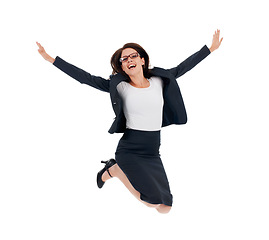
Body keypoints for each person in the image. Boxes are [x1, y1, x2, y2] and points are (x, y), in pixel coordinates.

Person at [36, 30, 223, 214]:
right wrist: (52, 59)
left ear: (142, 60)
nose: (129, 60)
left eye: (133, 56)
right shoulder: (120, 86)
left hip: (152, 150)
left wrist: (210, 49)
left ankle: (115, 170)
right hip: (130, 148)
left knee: (165, 208)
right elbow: (85, 78)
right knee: (150, 202)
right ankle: (115, 171)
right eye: (124, 59)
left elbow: (184, 67)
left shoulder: (159, 79)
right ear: (122, 67)